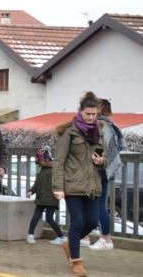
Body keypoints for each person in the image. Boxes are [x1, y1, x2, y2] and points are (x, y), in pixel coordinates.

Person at [53, 92, 106, 277]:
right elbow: (58, 161)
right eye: (88, 114)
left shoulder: (99, 131)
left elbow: (104, 156)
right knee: (78, 221)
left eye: (94, 114)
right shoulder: (70, 132)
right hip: (73, 185)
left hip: (92, 185)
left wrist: (102, 161)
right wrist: (58, 187)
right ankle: (76, 262)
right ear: (81, 112)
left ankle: (70, 244)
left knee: (92, 221)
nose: (91, 117)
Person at [85, 98, 125, 250]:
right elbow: (117, 148)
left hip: (99, 171)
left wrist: (97, 158)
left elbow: (100, 149)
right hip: (105, 171)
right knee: (93, 205)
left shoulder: (102, 126)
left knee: (99, 206)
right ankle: (85, 237)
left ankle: (106, 239)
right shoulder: (111, 125)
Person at [27, 146, 65, 245]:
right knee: (48, 218)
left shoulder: (50, 171)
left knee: (39, 216)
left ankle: (30, 235)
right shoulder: (44, 171)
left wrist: (32, 191)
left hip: (48, 198)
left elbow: (56, 184)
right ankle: (61, 236)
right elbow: (37, 184)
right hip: (48, 199)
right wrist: (31, 191)